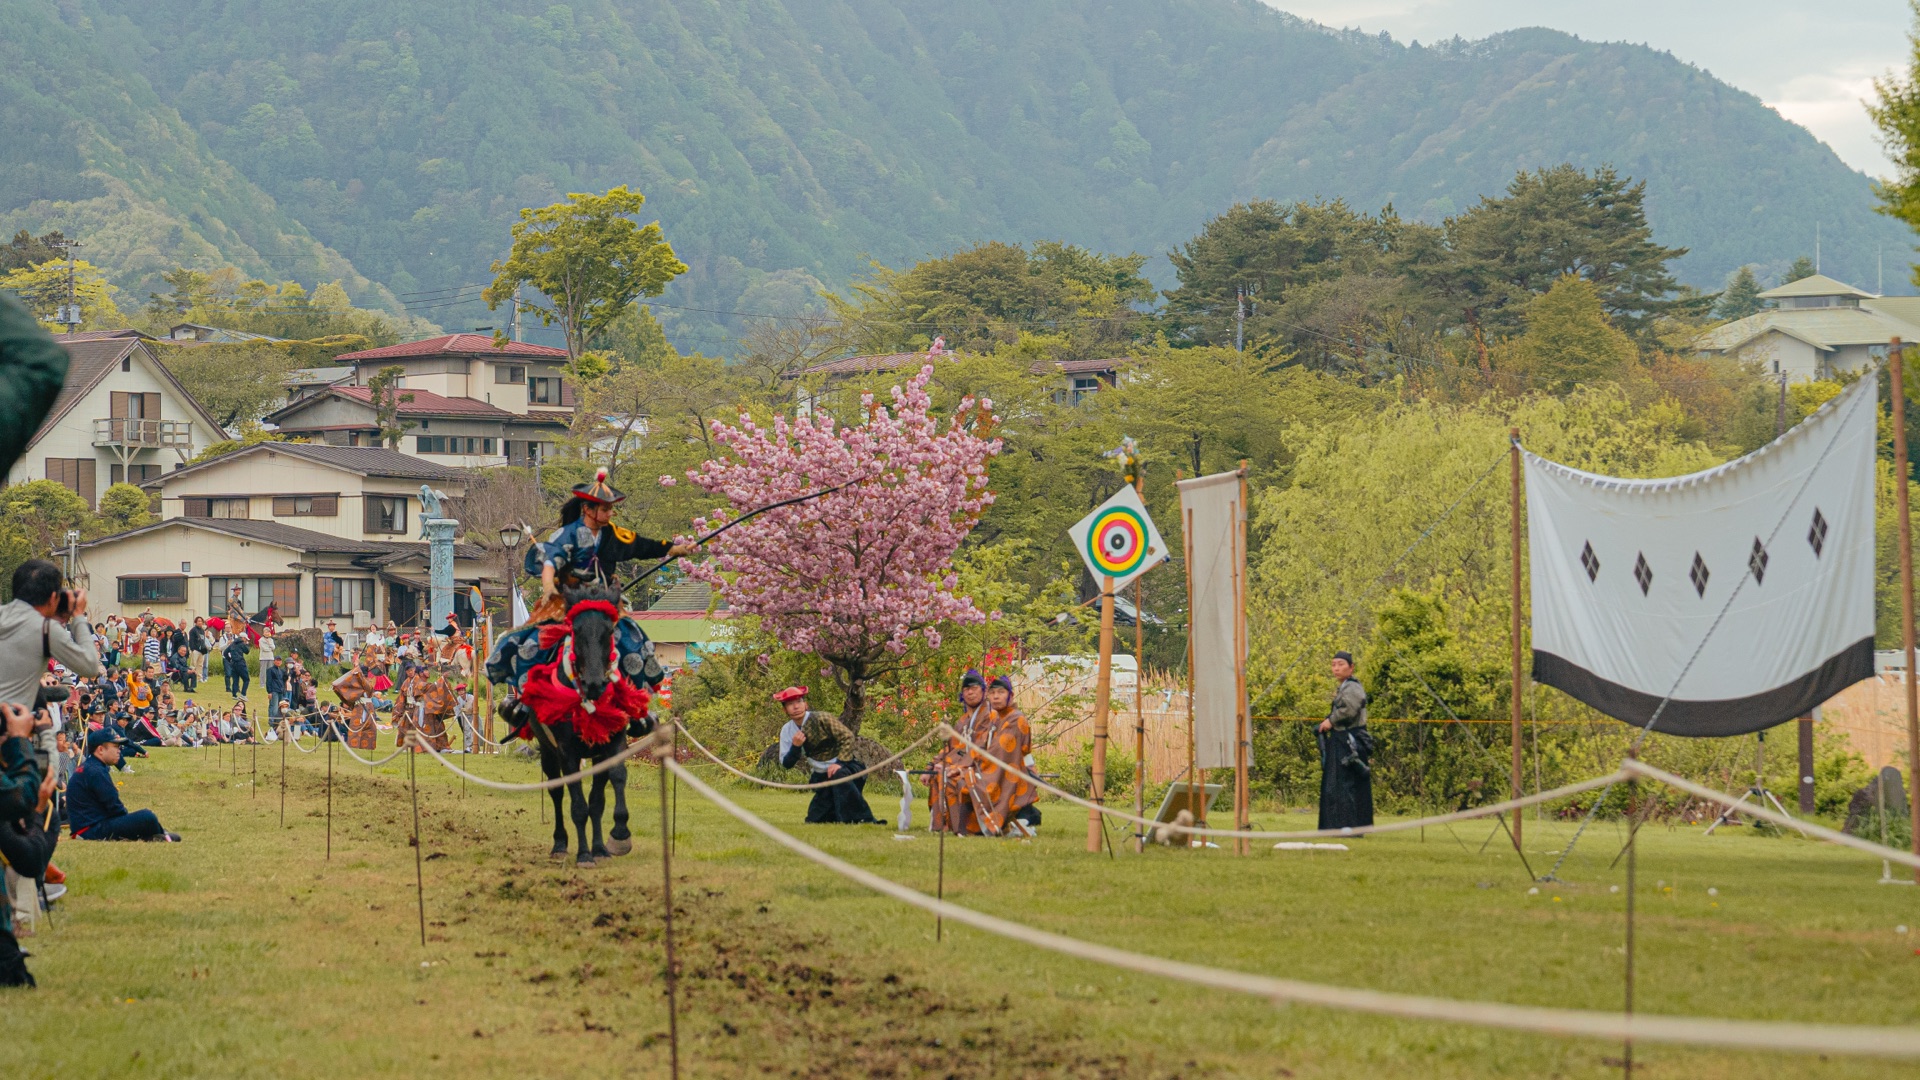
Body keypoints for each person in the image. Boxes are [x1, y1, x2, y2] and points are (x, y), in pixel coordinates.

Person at [530, 468, 696, 604]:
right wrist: (548, 585)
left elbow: (641, 545)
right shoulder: (568, 534)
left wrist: (673, 549)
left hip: (606, 597)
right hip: (570, 597)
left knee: (633, 636)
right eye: (605, 510)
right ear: (588, 510)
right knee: (540, 638)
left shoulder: (613, 533)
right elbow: (551, 561)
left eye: (611, 509)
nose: (610, 514)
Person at [929, 673, 1037, 836]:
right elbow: (978, 746)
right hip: (990, 767)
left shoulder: (1016, 718)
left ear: (1010, 695)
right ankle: (957, 827)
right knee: (952, 777)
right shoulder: (994, 719)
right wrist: (950, 765)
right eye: (993, 693)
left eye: (1000, 693)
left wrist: (963, 768)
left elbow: (999, 751)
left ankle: (974, 828)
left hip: (1011, 772)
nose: (996, 697)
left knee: (966, 781)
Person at [774, 687, 879, 824]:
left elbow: (847, 737)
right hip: (822, 777)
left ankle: (863, 819)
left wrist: (839, 763)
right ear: (784, 710)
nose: (795, 707)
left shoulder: (823, 718)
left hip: (846, 769)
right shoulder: (787, 731)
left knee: (840, 779)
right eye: (790, 704)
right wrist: (795, 747)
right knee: (814, 820)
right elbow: (786, 764)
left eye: (799, 702)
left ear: (805, 704)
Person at [67, 729, 177, 842]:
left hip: (87, 827)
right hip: (91, 830)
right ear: (100, 749)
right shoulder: (96, 771)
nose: (119, 751)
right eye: (115, 746)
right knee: (147, 817)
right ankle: (161, 835)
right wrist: (130, 824)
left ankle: (158, 834)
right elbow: (115, 808)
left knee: (144, 819)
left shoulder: (91, 767)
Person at [1316, 651, 1374, 832]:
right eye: (1333, 664)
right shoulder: (1343, 687)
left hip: (1350, 742)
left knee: (1346, 785)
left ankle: (1348, 825)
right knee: (1336, 784)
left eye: (1341, 664)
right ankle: (1337, 824)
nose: (1336, 668)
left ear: (1351, 667)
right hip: (1341, 739)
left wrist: (1330, 721)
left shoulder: (1353, 687)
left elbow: (1348, 710)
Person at [264, 656, 288, 724]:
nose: (278, 662)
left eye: (280, 660)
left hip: (281, 690)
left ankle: (278, 721)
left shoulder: (281, 671)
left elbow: (284, 680)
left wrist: (286, 672)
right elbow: (269, 681)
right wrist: (269, 692)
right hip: (274, 690)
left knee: (280, 707)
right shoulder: (270, 670)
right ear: (274, 661)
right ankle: (272, 721)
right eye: (277, 660)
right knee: (273, 706)